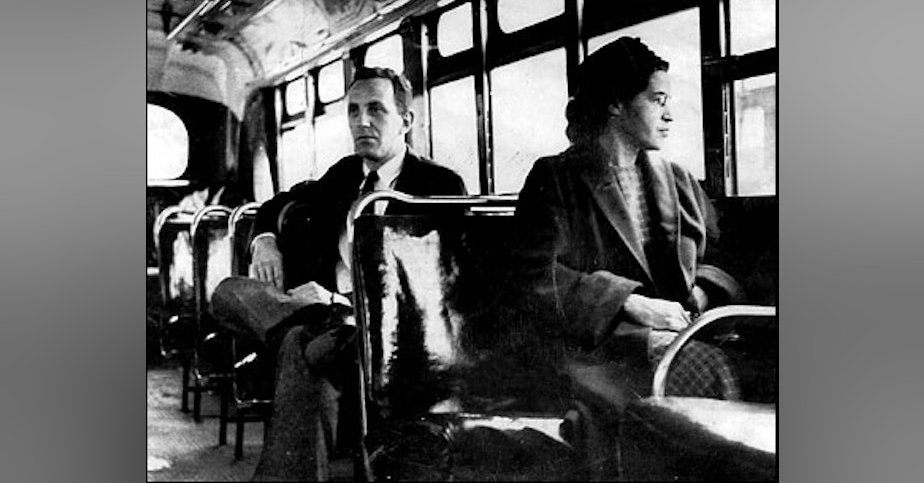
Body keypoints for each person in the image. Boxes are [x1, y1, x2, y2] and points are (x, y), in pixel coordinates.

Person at [245, 66, 467, 481]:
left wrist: (334, 303)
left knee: (298, 343)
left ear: (406, 121)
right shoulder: (345, 176)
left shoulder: (439, 185)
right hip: (335, 325)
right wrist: (265, 241)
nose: (361, 121)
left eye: (376, 110)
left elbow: (437, 292)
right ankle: (304, 319)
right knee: (231, 292)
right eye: (353, 111)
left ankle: (298, 323)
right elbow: (279, 202)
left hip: (393, 334)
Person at [511, 37, 744, 428]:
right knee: (704, 370)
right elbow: (532, 278)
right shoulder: (555, 178)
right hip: (596, 348)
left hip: (680, 334)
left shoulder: (678, 180)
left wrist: (699, 295)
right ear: (616, 104)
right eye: (658, 100)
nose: (670, 115)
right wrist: (628, 304)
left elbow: (719, 255)